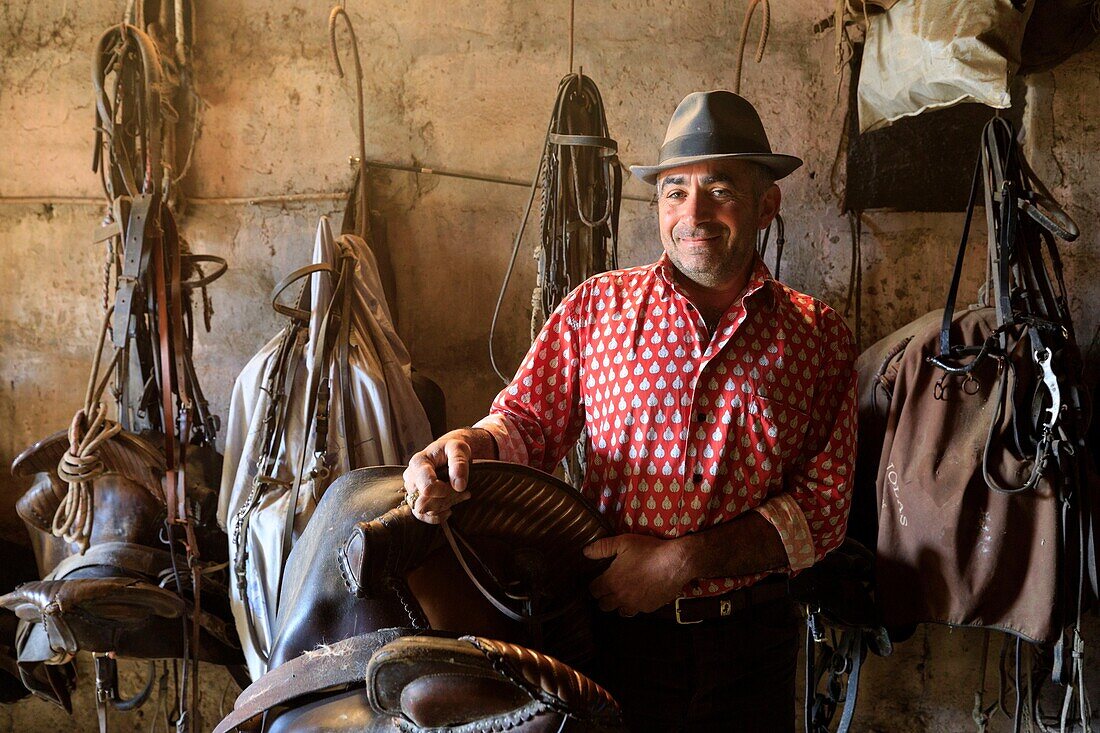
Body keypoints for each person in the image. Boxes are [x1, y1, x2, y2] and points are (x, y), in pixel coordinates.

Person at [402, 90, 857, 732]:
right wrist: (470, 444)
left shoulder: (817, 335)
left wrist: (683, 561)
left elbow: (825, 510)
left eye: (719, 189)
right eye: (674, 191)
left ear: (767, 203)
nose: (693, 213)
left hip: (752, 646)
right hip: (612, 637)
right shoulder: (598, 311)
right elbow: (527, 424)